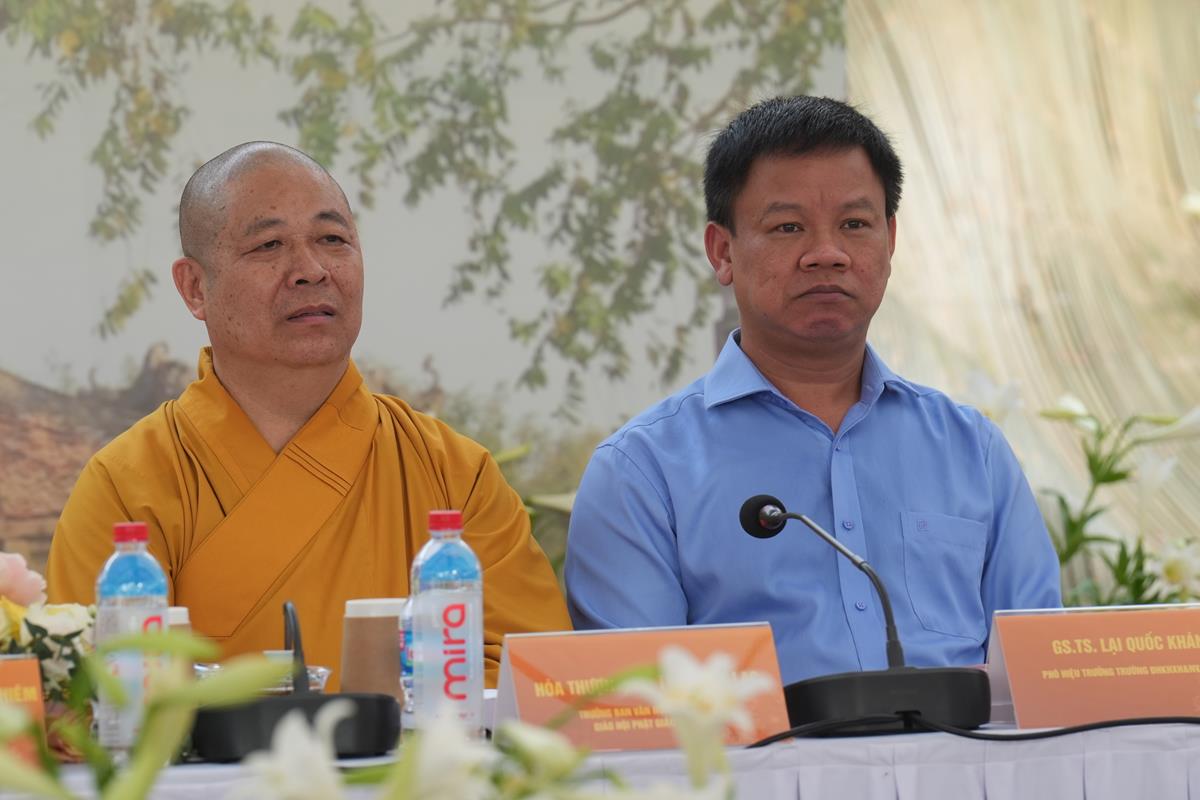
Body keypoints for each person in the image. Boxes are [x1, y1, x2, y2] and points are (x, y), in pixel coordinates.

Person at [564, 96, 1061, 685]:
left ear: (890, 239)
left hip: (963, 748)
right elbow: (643, 710)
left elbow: (1041, 679)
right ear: (722, 252)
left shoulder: (972, 450)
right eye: (788, 227)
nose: (827, 254)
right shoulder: (641, 473)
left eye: (854, 224)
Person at [49, 141, 571, 689]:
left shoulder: (455, 475)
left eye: (332, 239)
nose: (311, 270)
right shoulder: (126, 486)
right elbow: (94, 701)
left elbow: (534, 684)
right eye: (269, 245)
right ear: (195, 287)